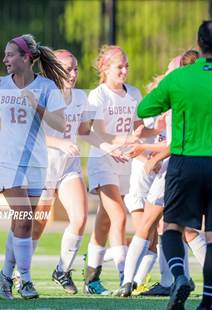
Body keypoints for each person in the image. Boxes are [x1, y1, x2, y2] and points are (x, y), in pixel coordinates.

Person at [0, 34, 66, 300]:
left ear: (27, 58)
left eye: (10, 54)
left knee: (22, 223)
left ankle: (5, 274)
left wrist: (35, 104)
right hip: (6, 158)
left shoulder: (47, 87)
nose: (5, 59)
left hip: (35, 160)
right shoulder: (0, 84)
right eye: (5, 54)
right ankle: (24, 280)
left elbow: (60, 124)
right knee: (24, 217)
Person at [116, 50, 206, 298]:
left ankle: (128, 281)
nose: (166, 73)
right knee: (183, 230)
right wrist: (141, 138)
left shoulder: (180, 94)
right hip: (197, 166)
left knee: (149, 225)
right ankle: (176, 280)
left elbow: (173, 142)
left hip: (175, 169)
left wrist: (150, 153)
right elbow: (160, 131)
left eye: (170, 70)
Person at [137, 20, 212, 310]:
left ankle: (179, 276)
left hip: (185, 162)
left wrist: (175, 103)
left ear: (199, 43)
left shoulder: (179, 77)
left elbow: (144, 109)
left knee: (171, 227)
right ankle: (207, 301)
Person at [80, 45, 160, 295]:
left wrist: (159, 129)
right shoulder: (98, 95)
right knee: (118, 217)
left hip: (126, 163)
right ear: (104, 68)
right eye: (119, 66)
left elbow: (139, 130)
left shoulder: (134, 93)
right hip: (103, 160)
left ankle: (91, 275)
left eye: (126, 66)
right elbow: (92, 131)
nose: (124, 70)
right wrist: (118, 143)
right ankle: (125, 275)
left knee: (104, 221)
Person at [20, 49, 90, 294]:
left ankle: (62, 269)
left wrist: (115, 145)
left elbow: (86, 131)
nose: (73, 73)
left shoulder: (80, 97)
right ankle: (21, 273)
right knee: (37, 225)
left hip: (68, 166)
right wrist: (60, 143)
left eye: (75, 68)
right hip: (45, 166)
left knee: (80, 219)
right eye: (68, 68)